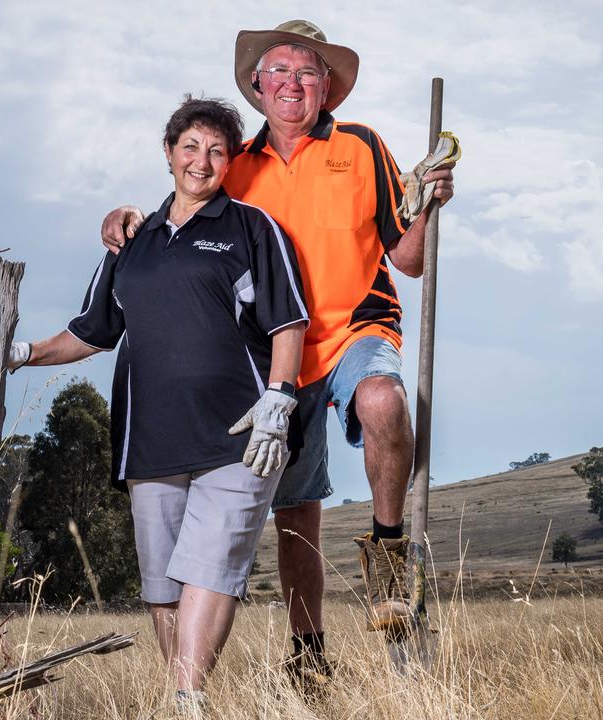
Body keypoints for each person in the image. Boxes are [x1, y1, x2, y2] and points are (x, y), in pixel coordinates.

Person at [101, 20, 457, 684]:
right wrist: (123, 216)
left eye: (308, 73)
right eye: (280, 72)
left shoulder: (361, 147)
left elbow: (406, 261)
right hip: (273, 358)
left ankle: (387, 548)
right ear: (258, 87)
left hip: (356, 329)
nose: (293, 84)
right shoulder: (235, 165)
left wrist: (428, 206)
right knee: (295, 514)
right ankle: (309, 653)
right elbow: (179, 215)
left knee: (383, 400)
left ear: (328, 88)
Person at [8, 97, 308, 714]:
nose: (202, 161)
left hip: (241, 434)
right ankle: (183, 698)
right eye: (190, 147)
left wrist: (278, 399)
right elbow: (90, 333)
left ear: (230, 161)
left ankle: (187, 699)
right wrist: (15, 353)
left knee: (211, 567)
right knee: (164, 586)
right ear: (168, 153)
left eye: (217, 150)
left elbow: (287, 325)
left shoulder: (252, 229)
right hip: (150, 439)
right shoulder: (132, 242)